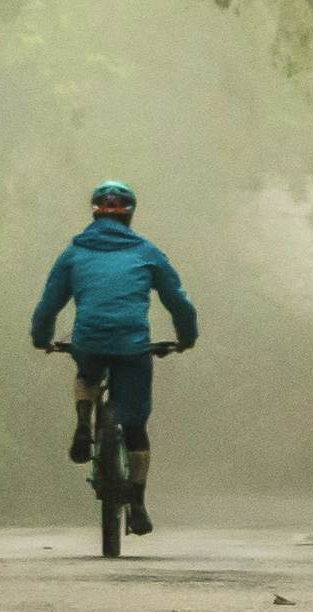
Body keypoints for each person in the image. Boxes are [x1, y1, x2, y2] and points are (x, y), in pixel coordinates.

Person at [29, 176, 200, 535]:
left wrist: (42, 338)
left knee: (86, 373)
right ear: (130, 216)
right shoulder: (147, 253)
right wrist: (186, 338)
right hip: (132, 344)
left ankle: (82, 422)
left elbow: (48, 305)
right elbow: (179, 303)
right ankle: (137, 503)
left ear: (94, 213)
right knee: (135, 424)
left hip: (89, 339)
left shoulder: (73, 254)